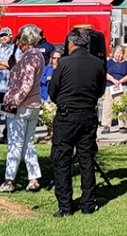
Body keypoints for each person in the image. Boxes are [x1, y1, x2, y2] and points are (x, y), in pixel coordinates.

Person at [48, 28, 105, 217]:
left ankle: (65, 207)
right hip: (88, 114)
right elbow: (100, 90)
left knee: (62, 160)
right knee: (86, 159)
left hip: (66, 116)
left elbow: (52, 91)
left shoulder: (63, 63)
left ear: (70, 43)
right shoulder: (98, 63)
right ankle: (88, 204)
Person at [0, 25, 46, 193]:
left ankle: (9, 180)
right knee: (27, 143)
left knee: (15, 143)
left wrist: (13, 101)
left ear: (25, 40)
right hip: (33, 104)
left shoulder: (30, 57)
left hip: (22, 105)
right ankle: (33, 178)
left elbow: (26, 83)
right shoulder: (37, 55)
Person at [101, 45, 127, 132]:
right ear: (114, 53)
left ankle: (122, 126)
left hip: (122, 86)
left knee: (121, 106)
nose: (119, 55)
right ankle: (106, 125)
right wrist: (114, 80)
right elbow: (104, 73)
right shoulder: (109, 62)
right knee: (107, 106)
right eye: (117, 52)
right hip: (110, 85)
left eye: (121, 53)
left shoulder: (126, 64)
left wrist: (120, 81)